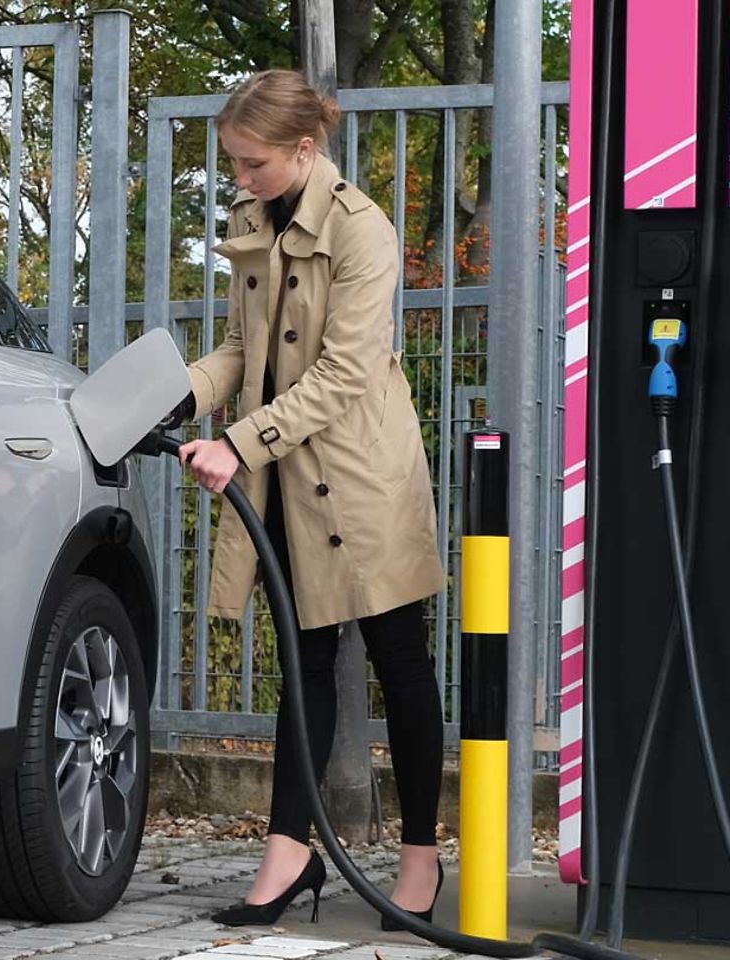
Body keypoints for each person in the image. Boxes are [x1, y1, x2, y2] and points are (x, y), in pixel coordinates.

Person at [173, 70, 447, 929]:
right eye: (233, 166)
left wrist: (237, 442)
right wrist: (170, 398)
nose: (241, 181)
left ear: (303, 148)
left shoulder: (365, 231)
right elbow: (239, 347)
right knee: (306, 664)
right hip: (288, 474)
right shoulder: (252, 222)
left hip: (365, 477)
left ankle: (419, 862)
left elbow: (345, 373)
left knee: (402, 668)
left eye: (253, 164)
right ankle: (289, 857)